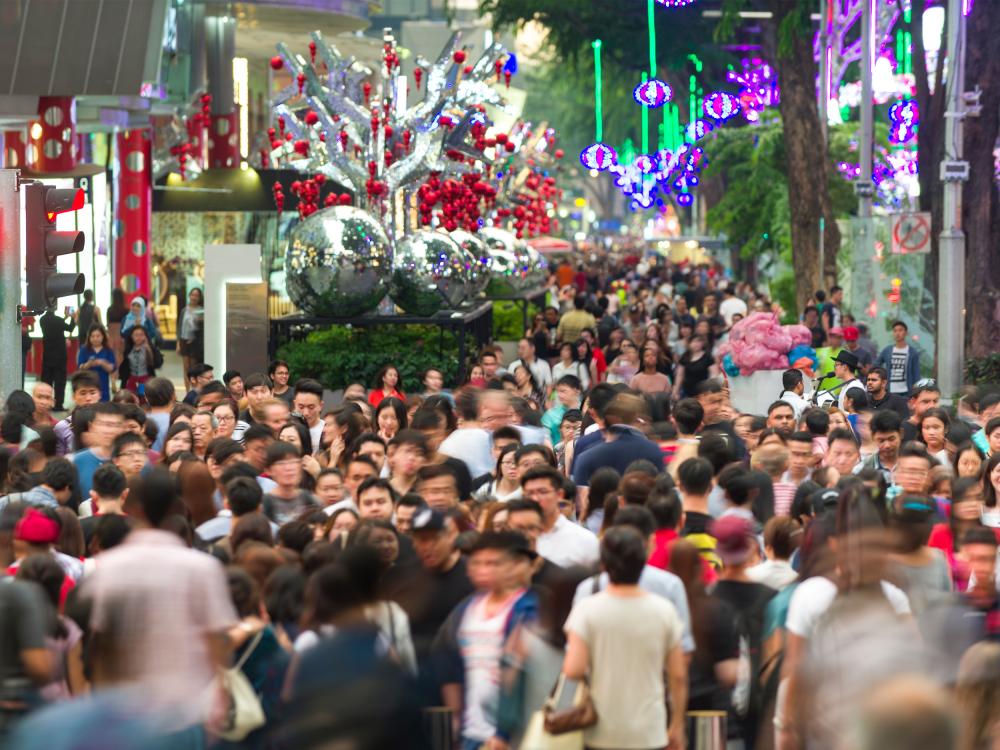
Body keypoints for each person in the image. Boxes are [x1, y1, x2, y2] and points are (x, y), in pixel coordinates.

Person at [79, 469, 237, 731]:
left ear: (134, 509)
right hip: (189, 712)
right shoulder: (203, 568)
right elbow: (217, 644)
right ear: (177, 507)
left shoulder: (108, 568)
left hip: (126, 714)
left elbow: (100, 649)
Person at [562, 526, 688, 750]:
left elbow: (573, 669)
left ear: (603, 564)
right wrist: (677, 725)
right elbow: (678, 675)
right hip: (650, 729)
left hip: (601, 728)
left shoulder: (587, 609)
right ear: (643, 561)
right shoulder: (663, 610)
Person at [435, 531, 538, 749]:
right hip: (472, 731)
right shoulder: (467, 609)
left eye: (492, 563)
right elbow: (447, 657)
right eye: (477, 563)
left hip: (514, 735)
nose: (483, 570)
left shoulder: (529, 609)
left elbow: (520, 673)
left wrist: (503, 732)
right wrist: (456, 716)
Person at [522, 465, 599, 568]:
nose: (535, 498)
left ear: (559, 495)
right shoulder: (514, 536)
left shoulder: (584, 540)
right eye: (529, 493)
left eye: (542, 492)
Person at [40, 305, 76, 411]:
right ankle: (58, 405)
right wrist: (73, 317)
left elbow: (57, 325)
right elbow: (70, 327)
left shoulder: (42, 320)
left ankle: (46, 403)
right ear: (55, 308)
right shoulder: (58, 320)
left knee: (47, 380)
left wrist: (65, 317)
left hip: (47, 355)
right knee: (60, 382)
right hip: (59, 356)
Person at [876, 320, 921, 397]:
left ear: (906, 333)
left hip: (906, 392)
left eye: (900, 330)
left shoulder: (912, 352)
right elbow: (876, 364)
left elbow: (916, 373)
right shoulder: (887, 350)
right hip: (890, 391)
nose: (897, 333)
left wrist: (916, 391)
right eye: (895, 331)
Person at [119, 324, 163, 396]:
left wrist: (148, 348)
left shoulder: (150, 348)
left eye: (141, 335)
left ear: (145, 336)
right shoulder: (128, 349)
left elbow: (156, 363)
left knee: (142, 398)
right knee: (129, 399)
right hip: (131, 379)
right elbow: (124, 368)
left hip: (144, 379)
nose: (138, 337)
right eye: (136, 335)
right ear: (131, 336)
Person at [76, 325, 117, 402]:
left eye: (98, 336)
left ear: (103, 337)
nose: (95, 339)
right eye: (92, 336)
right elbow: (80, 367)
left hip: (103, 386)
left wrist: (102, 363)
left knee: (103, 407)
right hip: (88, 384)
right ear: (89, 337)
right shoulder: (84, 350)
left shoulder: (108, 350)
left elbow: (112, 368)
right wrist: (89, 364)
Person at [177, 288, 204, 391]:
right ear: (189, 296)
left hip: (195, 342)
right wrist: (178, 343)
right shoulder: (184, 310)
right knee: (186, 367)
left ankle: (194, 389)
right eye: (192, 295)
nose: (194, 297)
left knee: (193, 368)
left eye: (196, 295)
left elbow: (201, 329)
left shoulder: (201, 310)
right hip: (184, 340)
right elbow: (179, 327)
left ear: (199, 297)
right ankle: (187, 391)